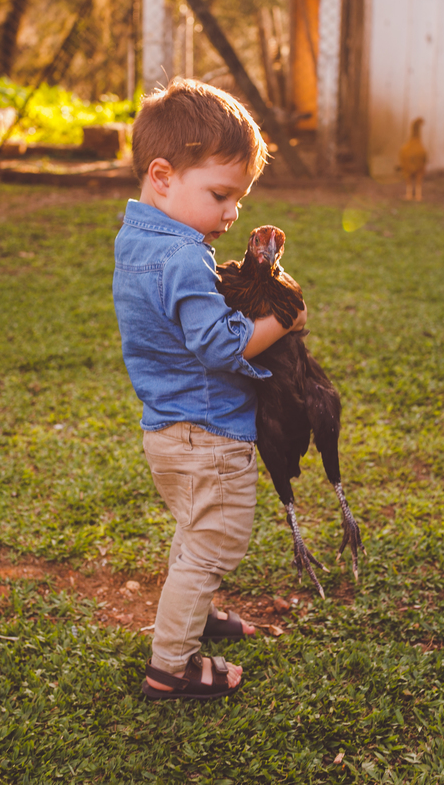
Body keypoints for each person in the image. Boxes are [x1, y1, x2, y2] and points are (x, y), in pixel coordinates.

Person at [112, 79, 306, 700]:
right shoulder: (183, 258)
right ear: (163, 176)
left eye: (239, 200)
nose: (230, 214)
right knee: (211, 545)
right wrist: (284, 320)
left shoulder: (136, 240)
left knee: (194, 531)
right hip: (207, 433)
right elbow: (221, 345)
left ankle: (196, 614)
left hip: (168, 428)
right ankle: (172, 665)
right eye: (221, 195)